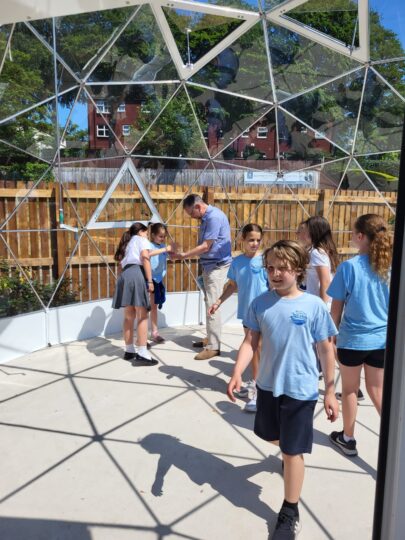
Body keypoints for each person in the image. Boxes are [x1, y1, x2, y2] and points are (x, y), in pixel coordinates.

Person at [227, 240, 339, 539]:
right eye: (270, 268)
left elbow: (326, 349)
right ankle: (289, 455)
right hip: (266, 387)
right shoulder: (261, 303)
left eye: (283, 268)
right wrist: (238, 371)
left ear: (299, 270)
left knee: (292, 451)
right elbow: (251, 342)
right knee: (268, 435)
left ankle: (290, 509)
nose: (275, 274)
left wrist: (329, 390)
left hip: (300, 390)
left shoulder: (313, 305)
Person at [328, 214, 391, 457]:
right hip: (382, 341)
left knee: (351, 390)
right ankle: (396, 438)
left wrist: (330, 337)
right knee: (377, 390)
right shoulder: (390, 268)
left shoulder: (349, 267)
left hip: (353, 340)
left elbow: (336, 309)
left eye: (354, 233)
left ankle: (348, 438)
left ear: (361, 237)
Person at [208, 223, 268, 412]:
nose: (255, 244)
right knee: (253, 350)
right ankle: (255, 383)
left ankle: (258, 392)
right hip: (247, 313)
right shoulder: (238, 262)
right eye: (251, 240)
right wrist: (218, 301)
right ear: (243, 240)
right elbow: (232, 285)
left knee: (258, 350)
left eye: (258, 240)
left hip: (265, 313)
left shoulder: (266, 260)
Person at [174, 194, 232, 361]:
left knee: (213, 305)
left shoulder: (213, 217)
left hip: (216, 266)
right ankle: (210, 338)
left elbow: (206, 246)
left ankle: (214, 347)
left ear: (198, 207)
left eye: (192, 214)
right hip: (210, 266)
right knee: (209, 303)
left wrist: (184, 255)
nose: (193, 218)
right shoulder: (207, 217)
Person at [112, 222, 173, 366]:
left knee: (128, 316)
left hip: (125, 276)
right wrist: (150, 281)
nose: (147, 235)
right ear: (141, 232)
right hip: (136, 274)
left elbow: (120, 265)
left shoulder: (126, 243)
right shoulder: (141, 240)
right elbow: (145, 258)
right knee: (143, 315)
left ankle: (129, 350)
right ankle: (142, 352)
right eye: (146, 233)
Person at [299, 216, 338, 307]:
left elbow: (325, 281)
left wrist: (322, 307)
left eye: (307, 230)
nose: (304, 233)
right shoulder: (320, 250)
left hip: (320, 304)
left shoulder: (317, 253)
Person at [149, 223, 170, 344]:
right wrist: (165, 249)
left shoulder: (163, 246)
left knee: (154, 306)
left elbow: (170, 256)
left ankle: (154, 332)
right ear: (153, 235)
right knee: (144, 307)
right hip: (148, 279)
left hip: (157, 280)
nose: (162, 239)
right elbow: (149, 254)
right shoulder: (149, 245)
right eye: (160, 236)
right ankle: (141, 334)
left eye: (164, 236)